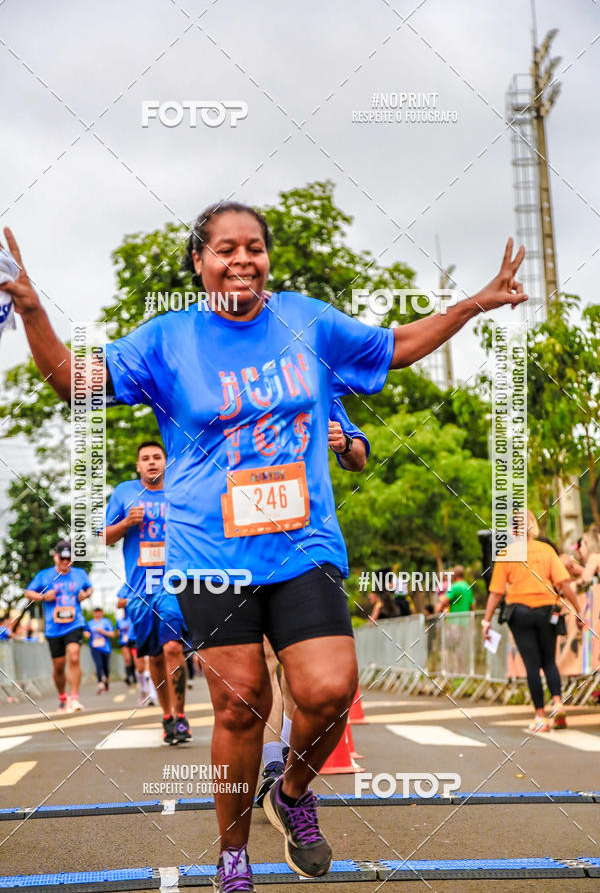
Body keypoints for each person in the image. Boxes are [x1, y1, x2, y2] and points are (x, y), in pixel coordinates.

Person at [2, 207, 526, 892]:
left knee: (330, 689)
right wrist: (33, 310)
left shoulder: (308, 321)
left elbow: (394, 345)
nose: (241, 260)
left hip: (303, 544)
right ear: (199, 262)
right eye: (225, 249)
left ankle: (292, 791)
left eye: (254, 247)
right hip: (209, 554)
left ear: (268, 258)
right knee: (241, 703)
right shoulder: (167, 339)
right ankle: (233, 855)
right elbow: (77, 382)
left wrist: (474, 304)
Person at [256, 399, 369, 807]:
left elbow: (358, 458)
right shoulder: (225, 382)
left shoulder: (313, 384)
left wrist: (344, 444)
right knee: (265, 660)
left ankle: (287, 756)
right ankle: (273, 764)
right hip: (245, 546)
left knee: (300, 671)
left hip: (307, 545)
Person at [103, 442, 191, 744]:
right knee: (154, 655)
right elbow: (101, 537)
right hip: (140, 589)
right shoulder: (124, 492)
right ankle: (167, 715)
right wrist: (127, 522)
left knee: (173, 648)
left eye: (157, 457)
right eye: (145, 458)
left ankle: (181, 716)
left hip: (173, 584)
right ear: (138, 465)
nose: (152, 462)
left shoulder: (180, 489)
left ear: (166, 462)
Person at [483, 511, 584, 733]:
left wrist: (486, 620)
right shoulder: (546, 550)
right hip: (547, 610)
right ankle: (558, 704)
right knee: (549, 661)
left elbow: (496, 592)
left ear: (512, 530)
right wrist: (578, 610)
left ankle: (540, 717)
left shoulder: (506, 554)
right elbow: (564, 584)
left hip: (519, 613)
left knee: (532, 664)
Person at [24, 540, 93, 712]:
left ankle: (75, 698)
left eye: (69, 559)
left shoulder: (80, 574)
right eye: (62, 558)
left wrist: (85, 594)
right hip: (53, 627)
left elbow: (90, 588)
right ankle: (63, 697)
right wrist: (42, 597)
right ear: (55, 557)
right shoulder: (44, 575)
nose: (65, 562)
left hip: (75, 623)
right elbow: (28, 592)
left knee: (74, 656)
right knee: (59, 665)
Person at [84, 606, 115, 694]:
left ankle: (106, 681)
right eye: (95, 612)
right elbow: (86, 632)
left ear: (102, 613)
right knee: (98, 664)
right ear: (93, 613)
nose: (97, 614)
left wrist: (103, 631)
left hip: (105, 648)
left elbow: (112, 634)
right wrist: (87, 634)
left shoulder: (106, 621)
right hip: (95, 647)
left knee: (106, 667)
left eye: (99, 612)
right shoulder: (90, 623)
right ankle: (100, 683)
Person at [116, 608, 136, 685]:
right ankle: (128, 676)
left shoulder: (133, 619)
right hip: (123, 642)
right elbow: (117, 631)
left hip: (133, 641)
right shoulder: (119, 621)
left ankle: (134, 675)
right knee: (127, 659)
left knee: (134, 659)